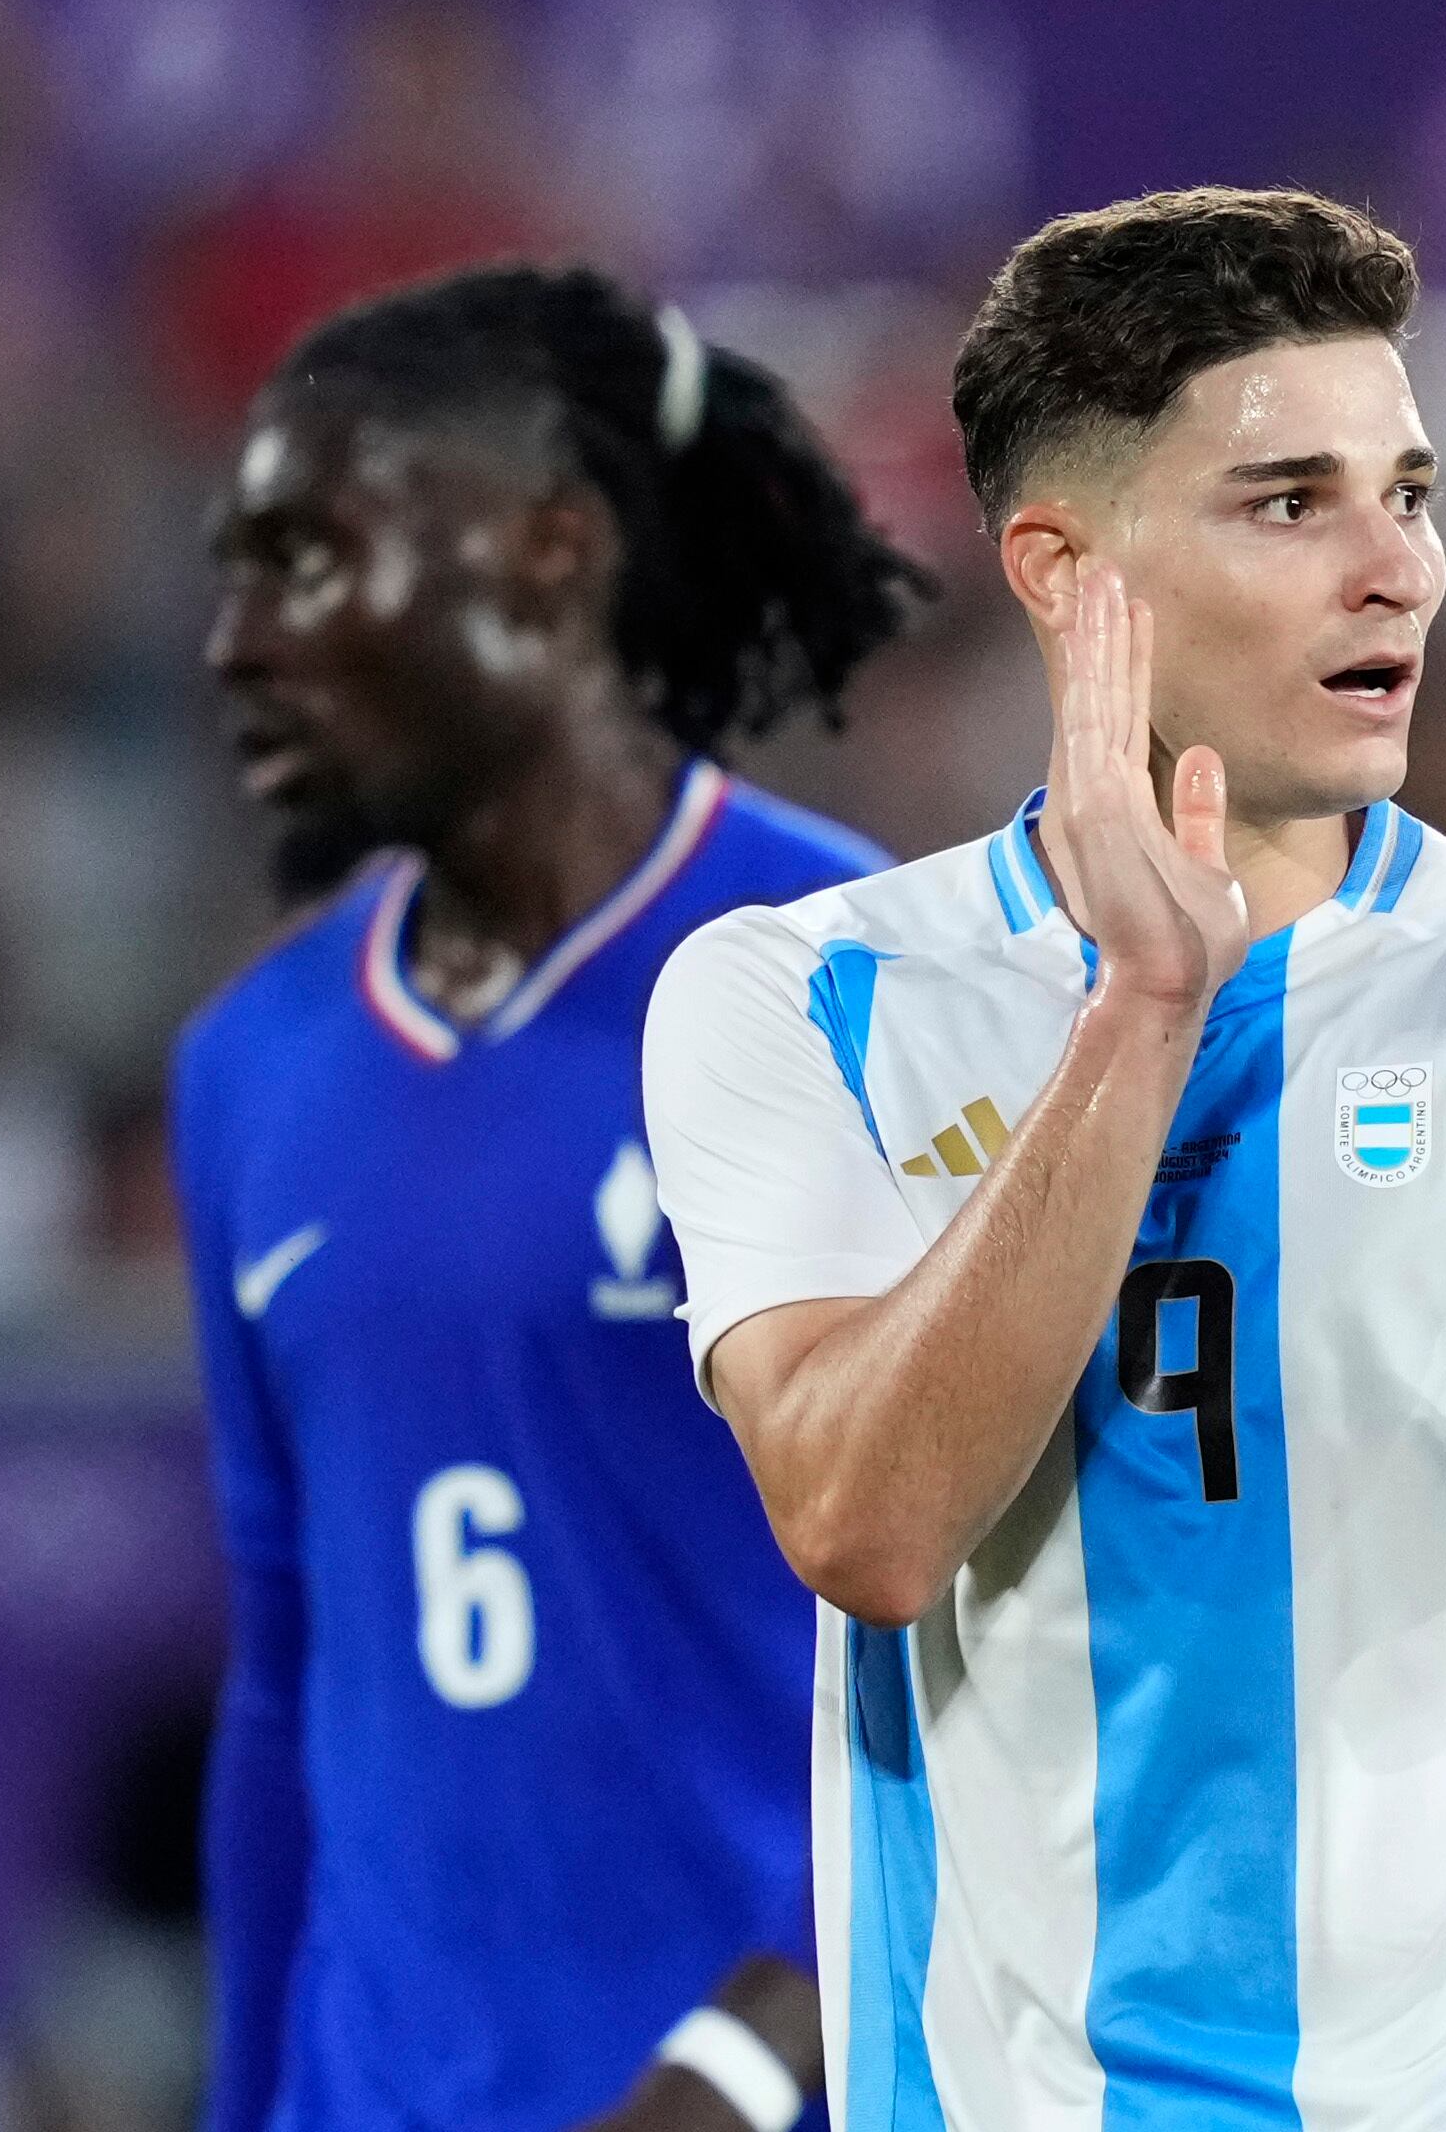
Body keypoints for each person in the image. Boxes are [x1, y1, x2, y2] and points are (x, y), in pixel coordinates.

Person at [641, 186, 1446, 2129]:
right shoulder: (809, 996)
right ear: (1062, 569)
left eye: (1411, 494)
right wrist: (1138, 1023)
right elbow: (867, 1524)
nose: (1399, 573)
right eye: (1294, 504)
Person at [175, 262, 933, 2132]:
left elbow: (1022, 1630)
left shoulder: (854, 977)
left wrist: (747, 2061)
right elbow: (288, 1681)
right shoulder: (249, 1066)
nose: (237, 639)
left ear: (546, 555)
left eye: (305, 557)